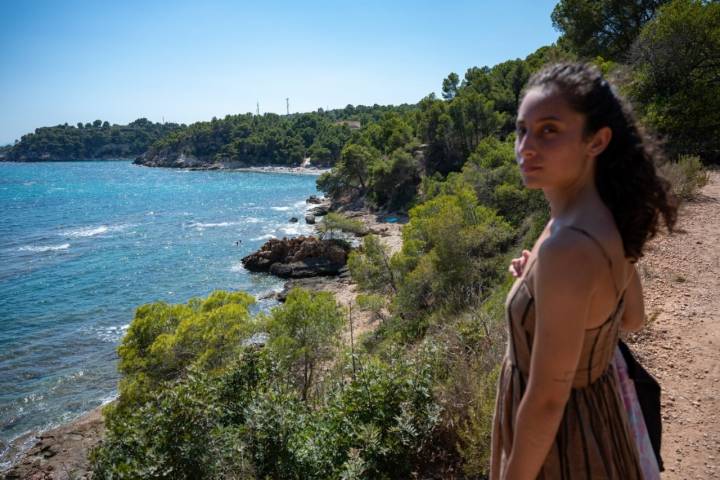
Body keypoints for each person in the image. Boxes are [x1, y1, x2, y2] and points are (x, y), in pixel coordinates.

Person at [490, 63, 677, 479]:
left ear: (597, 141)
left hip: (561, 446)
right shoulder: (597, 220)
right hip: (599, 421)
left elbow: (546, 402)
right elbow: (631, 318)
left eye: (550, 130)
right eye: (522, 130)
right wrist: (544, 288)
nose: (527, 147)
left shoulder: (568, 245)